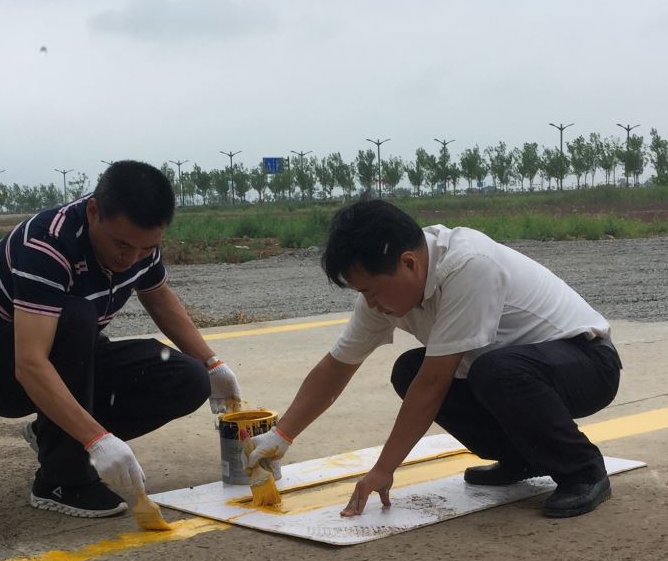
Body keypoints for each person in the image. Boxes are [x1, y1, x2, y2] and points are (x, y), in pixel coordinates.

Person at [244, 199, 621, 519]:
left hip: (586, 363)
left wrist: (383, 470)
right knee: (409, 370)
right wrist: (281, 435)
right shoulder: (381, 296)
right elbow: (336, 367)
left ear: (409, 263)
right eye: (363, 293)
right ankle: (522, 458)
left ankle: (584, 472)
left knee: (489, 371)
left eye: (372, 291)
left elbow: (435, 383)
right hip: (515, 373)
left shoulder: (468, 265)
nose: (370, 303)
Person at [0, 160, 242, 518]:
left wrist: (212, 364)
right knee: (75, 316)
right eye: (122, 245)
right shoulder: (48, 244)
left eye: (146, 249)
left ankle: (52, 435)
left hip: (70, 352)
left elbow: (159, 297)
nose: (131, 259)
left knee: (188, 378)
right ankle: (61, 481)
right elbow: (29, 363)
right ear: (93, 212)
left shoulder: (139, 244)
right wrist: (95, 440)